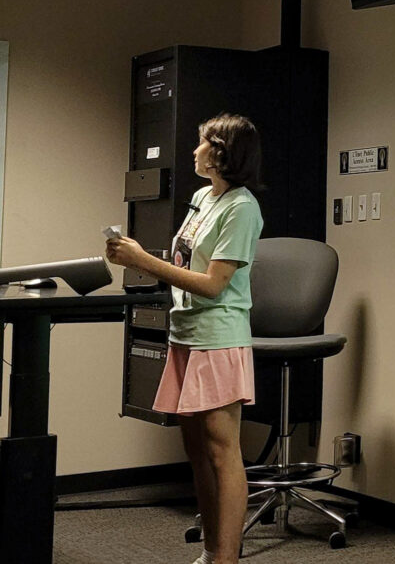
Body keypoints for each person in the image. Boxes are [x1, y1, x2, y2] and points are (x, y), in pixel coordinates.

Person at [107, 113, 263, 564]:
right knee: (196, 450)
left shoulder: (241, 207)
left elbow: (214, 284)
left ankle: (227, 559)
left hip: (217, 336)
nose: (193, 151)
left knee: (221, 450)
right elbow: (187, 261)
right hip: (186, 332)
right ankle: (212, 550)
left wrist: (144, 262)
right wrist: (135, 254)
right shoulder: (201, 197)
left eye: (201, 144)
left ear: (221, 153)